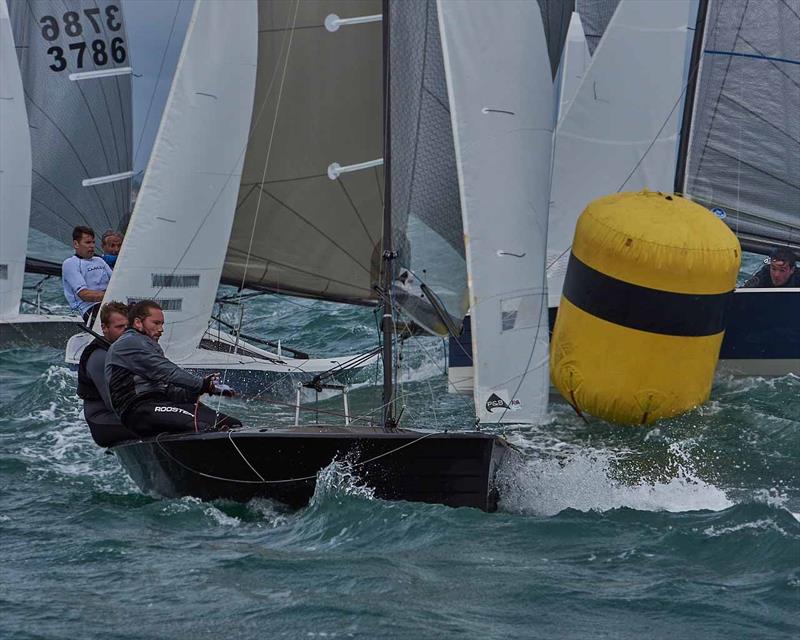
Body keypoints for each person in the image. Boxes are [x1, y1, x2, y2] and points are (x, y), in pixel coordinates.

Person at [105, 300, 241, 438]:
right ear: (138, 323)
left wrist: (205, 390)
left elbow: (169, 389)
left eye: (162, 324)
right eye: (156, 323)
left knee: (232, 424)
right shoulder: (129, 343)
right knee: (203, 428)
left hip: (161, 405)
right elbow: (168, 372)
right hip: (138, 409)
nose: (161, 329)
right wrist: (202, 384)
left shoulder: (149, 346)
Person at [77, 301, 138, 447]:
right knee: (166, 424)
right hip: (105, 422)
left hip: (122, 417)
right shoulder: (100, 357)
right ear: (104, 328)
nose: (125, 332)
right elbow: (115, 404)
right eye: (119, 327)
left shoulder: (123, 351)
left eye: (127, 327)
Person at [62, 225, 113, 325]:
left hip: (107, 304)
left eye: (93, 242)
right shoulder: (70, 263)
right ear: (76, 244)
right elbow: (84, 295)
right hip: (87, 309)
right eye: (88, 242)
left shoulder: (99, 261)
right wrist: (112, 295)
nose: (92, 246)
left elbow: (116, 282)